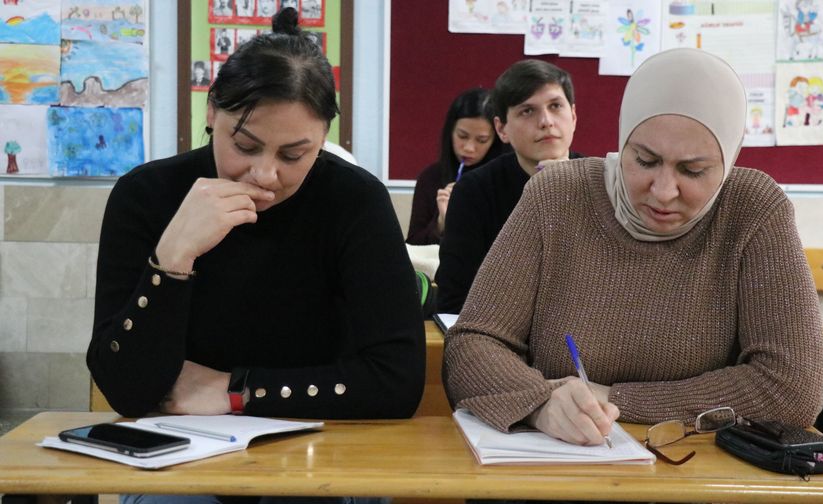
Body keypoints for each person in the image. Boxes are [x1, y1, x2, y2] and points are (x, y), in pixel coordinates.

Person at [88, 7, 425, 500]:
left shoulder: (355, 201)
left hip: (321, 448)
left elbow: (398, 383)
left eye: (294, 155)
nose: (265, 175)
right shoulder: (147, 195)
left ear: (324, 138)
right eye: (244, 146)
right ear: (210, 114)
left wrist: (236, 390)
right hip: (184, 453)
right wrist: (173, 257)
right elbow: (124, 388)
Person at [443, 48, 823, 447]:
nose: (663, 191)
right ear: (623, 140)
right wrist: (541, 403)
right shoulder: (557, 196)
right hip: (563, 466)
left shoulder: (752, 209)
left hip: (696, 472)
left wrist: (616, 400)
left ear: (729, 161)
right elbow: (473, 343)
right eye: (644, 160)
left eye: (693, 170)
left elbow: (791, 388)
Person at [435, 60, 582, 313]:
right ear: (502, 129)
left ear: (573, 116)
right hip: (500, 338)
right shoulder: (473, 192)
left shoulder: (606, 184)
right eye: (527, 111)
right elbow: (455, 300)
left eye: (555, 106)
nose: (546, 121)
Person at [406, 88, 506, 245]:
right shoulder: (431, 177)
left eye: (481, 140)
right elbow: (413, 245)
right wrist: (441, 224)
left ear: (495, 139)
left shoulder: (503, 178)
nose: (469, 148)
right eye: (462, 136)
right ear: (450, 131)